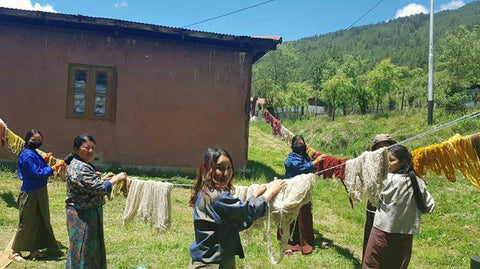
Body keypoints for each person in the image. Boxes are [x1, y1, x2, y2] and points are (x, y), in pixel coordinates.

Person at [189, 147, 286, 268]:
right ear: (208, 169)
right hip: (213, 264)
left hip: (212, 259)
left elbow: (237, 214)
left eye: (229, 168)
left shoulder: (207, 191)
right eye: (220, 168)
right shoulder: (217, 197)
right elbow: (248, 211)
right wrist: (269, 193)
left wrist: (255, 196)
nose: (226, 173)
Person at [363, 144, 435, 269]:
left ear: (404, 162)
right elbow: (430, 206)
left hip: (382, 232)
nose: (387, 164)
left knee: (373, 263)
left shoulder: (387, 179)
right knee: (396, 264)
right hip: (405, 234)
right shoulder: (418, 181)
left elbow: (373, 196)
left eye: (391, 160)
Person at [64, 134, 127, 269]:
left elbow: (89, 185)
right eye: (86, 148)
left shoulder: (83, 164)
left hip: (89, 213)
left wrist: (104, 179)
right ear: (76, 148)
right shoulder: (79, 167)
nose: (90, 151)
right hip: (82, 215)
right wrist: (117, 178)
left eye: (93, 148)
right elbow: (98, 188)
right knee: (83, 250)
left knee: (89, 249)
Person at [9, 129, 63, 262]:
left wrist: (44, 160)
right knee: (27, 222)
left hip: (40, 191)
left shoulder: (33, 153)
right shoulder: (27, 155)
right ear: (27, 140)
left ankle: (34, 251)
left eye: (39, 140)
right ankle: (15, 251)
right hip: (30, 192)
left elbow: (36, 166)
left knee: (39, 219)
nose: (37, 142)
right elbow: (36, 173)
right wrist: (53, 168)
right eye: (34, 140)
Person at [282, 135, 324, 255]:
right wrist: (315, 162)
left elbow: (310, 169)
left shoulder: (305, 157)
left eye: (302, 143)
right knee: (291, 216)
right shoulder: (290, 158)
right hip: (292, 190)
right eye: (297, 143)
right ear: (292, 146)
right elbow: (299, 168)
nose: (300, 145)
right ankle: (290, 243)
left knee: (303, 215)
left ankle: (304, 242)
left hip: (304, 191)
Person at [361, 134, 397, 262]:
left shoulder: (397, 162)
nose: (384, 148)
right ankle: (368, 262)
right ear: (375, 148)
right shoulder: (369, 162)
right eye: (380, 146)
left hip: (391, 205)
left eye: (387, 145)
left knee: (388, 237)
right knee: (371, 233)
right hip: (374, 202)